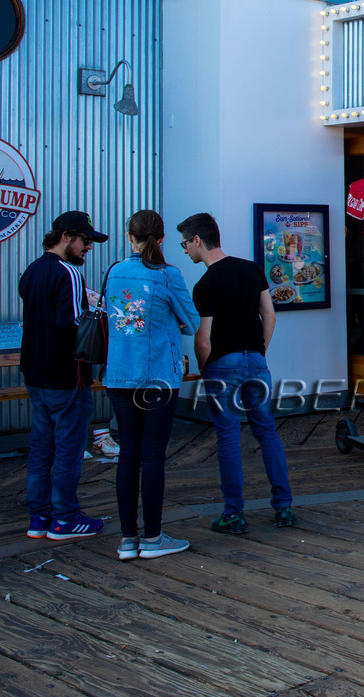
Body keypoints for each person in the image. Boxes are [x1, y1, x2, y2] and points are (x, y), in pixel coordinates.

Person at [179, 212, 295, 533]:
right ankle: (283, 507)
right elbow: (269, 316)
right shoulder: (252, 269)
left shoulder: (204, 284)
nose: (185, 250)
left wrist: (206, 370)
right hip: (255, 360)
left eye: (185, 243)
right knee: (267, 432)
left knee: (228, 438)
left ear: (198, 240)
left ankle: (234, 513)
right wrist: (260, 351)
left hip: (222, 365)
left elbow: (203, 341)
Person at [103, 210, 198, 560]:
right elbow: (190, 322)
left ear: (129, 237)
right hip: (158, 375)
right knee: (153, 455)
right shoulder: (167, 275)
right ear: (160, 239)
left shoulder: (114, 272)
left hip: (118, 374)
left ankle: (128, 538)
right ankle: (154, 537)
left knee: (128, 454)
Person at [19, 211, 108, 541]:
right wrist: (98, 317)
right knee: (69, 449)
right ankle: (66, 518)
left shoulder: (32, 271)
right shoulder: (68, 273)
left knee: (41, 448)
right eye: (86, 241)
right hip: (67, 374)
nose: (89, 248)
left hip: (35, 372)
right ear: (67, 236)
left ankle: (39, 517)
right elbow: (70, 324)